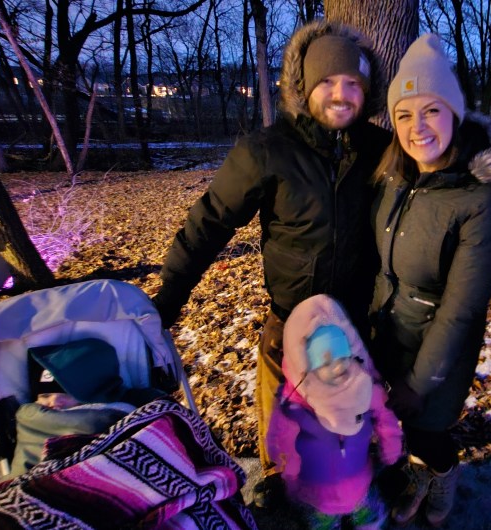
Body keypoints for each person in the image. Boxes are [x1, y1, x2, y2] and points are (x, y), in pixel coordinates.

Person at [152, 19, 390, 508]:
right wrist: (169, 298)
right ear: (305, 87)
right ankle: (279, 478)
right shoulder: (266, 151)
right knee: (286, 423)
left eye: (353, 83)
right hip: (291, 321)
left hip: (355, 322)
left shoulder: (381, 152)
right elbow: (208, 224)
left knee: (346, 424)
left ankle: (350, 476)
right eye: (327, 81)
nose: (341, 94)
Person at [369, 33, 491, 527]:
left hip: (438, 348)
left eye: (431, 110)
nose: (418, 128)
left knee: (430, 432)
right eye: (405, 115)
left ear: (454, 113)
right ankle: (419, 474)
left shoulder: (483, 202)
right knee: (407, 430)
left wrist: (419, 380)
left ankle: (444, 478)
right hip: (388, 332)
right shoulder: (396, 178)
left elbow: (463, 306)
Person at [266, 294, 403, 530]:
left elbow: (385, 418)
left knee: (363, 503)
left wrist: (390, 446)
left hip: (359, 479)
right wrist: (287, 469)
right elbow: (280, 438)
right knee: (322, 514)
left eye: (342, 355)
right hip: (315, 487)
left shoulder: (363, 387)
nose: (338, 366)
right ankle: (325, 520)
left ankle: (364, 515)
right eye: (326, 360)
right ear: (307, 364)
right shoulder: (295, 404)